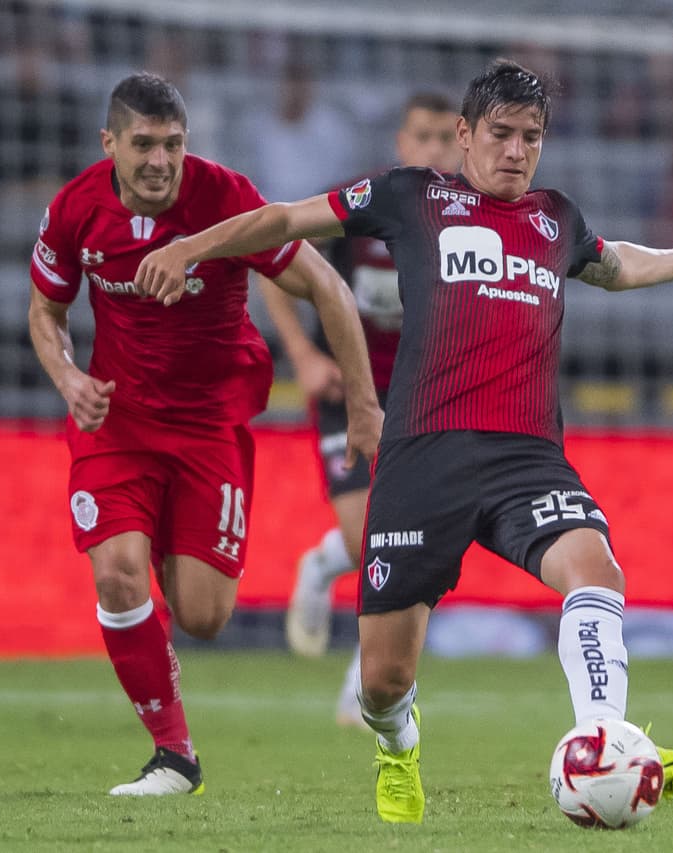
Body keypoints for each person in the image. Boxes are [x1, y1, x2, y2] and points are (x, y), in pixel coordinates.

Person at [135, 58, 673, 823]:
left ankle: (608, 736)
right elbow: (285, 220)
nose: (517, 151)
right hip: (424, 458)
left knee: (597, 571)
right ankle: (397, 742)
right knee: (384, 679)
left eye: (532, 137)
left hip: (527, 456)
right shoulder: (414, 197)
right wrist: (192, 247)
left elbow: (613, 266)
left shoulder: (558, 218)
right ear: (464, 135)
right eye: (502, 134)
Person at [26, 72, 381, 796]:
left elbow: (331, 289)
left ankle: (160, 556)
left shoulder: (225, 199)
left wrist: (365, 406)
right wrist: (68, 381)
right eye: (144, 144)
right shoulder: (74, 207)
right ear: (111, 143)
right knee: (118, 570)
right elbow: (45, 309)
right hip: (116, 423)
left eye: (174, 145)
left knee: (203, 614)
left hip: (207, 428)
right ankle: (174, 754)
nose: (160, 161)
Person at [262, 92, 460, 730]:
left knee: (408, 545)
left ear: (461, 145)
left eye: (443, 139)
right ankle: (322, 565)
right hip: (346, 394)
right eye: (420, 138)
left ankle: (361, 683)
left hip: (419, 402)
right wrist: (301, 355)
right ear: (401, 145)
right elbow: (272, 260)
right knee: (362, 538)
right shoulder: (365, 205)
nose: (432, 150)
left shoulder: (471, 224)